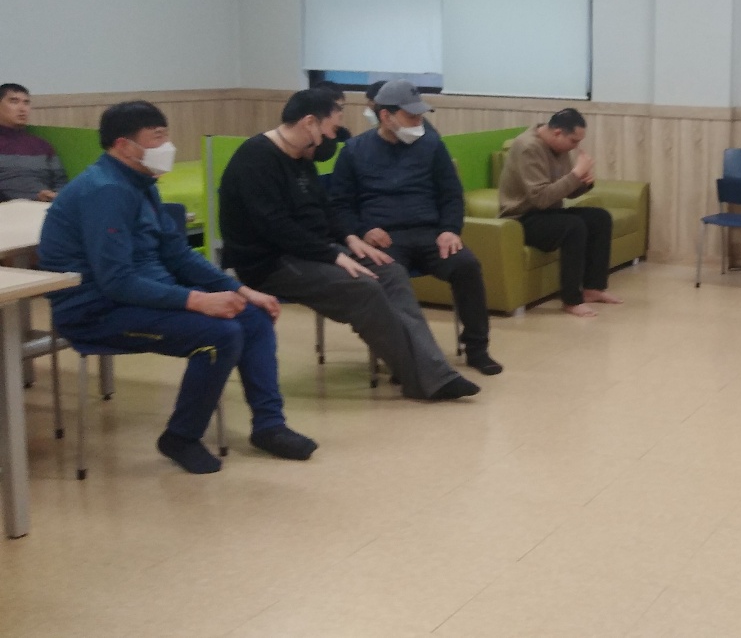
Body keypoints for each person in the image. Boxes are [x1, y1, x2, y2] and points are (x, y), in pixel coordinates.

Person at [38, 101, 316, 474]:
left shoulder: (142, 183)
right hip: (97, 311)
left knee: (253, 316)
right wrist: (197, 301)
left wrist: (241, 290)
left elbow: (178, 255)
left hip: (144, 296)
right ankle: (181, 437)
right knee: (219, 335)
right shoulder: (105, 191)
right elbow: (116, 281)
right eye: (157, 138)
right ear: (124, 145)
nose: (166, 146)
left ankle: (269, 425)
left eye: (166, 135)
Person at [218, 89, 479, 401]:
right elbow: (276, 227)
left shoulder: (300, 158)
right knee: (364, 288)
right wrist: (333, 255)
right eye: (331, 128)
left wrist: (351, 238)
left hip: (313, 251)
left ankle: (431, 372)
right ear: (309, 123)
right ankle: (425, 379)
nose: (333, 136)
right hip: (271, 262)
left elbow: (325, 210)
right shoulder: (255, 159)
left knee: (390, 271)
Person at [330, 80, 502, 375]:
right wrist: (363, 230)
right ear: (386, 116)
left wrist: (449, 229)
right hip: (383, 240)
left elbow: (451, 195)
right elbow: (339, 205)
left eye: (420, 115)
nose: (418, 122)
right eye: (411, 116)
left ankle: (477, 348)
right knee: (391, 277)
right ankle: (405, 356)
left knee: (467, 266)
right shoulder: (354, 151)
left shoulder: (431, 146)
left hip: (431, 235)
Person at [497, 108, 620, 318]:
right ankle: (571, 300)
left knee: (600, 218)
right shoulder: (528, 147)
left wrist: (583, 183)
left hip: (548, 213)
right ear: (557, 133)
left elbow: (566, 191)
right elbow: (541, 198)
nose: (576, 146)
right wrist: (576, 174)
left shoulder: (559, 147)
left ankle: (593, 288)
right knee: (573, 227)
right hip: (522, 218)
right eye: (573, 141)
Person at [0, 83, 67, 202]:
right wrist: (32, 197)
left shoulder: (43, 146)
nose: (22, 109)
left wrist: (55, 196)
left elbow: (61, 182)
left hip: (45, 206)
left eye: (26, 103)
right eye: (14, 101)